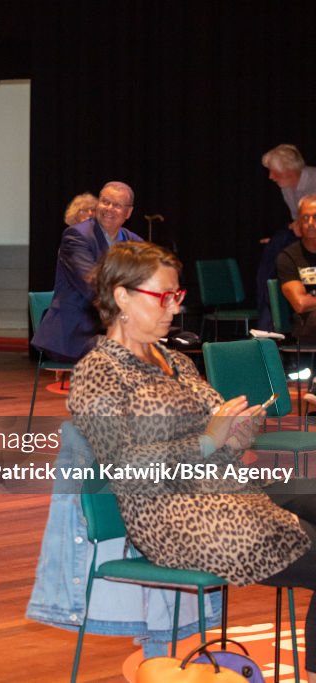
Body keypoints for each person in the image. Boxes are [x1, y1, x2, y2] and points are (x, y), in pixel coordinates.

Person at [68, 240, 316, 680]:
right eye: (163, 297)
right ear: (121, 296)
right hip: (173, 518)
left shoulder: (177, 361)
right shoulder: (99, 372)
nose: (173, 309)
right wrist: (206, 442)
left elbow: (220, 440)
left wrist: (239, 431)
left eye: (177, 297)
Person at [31, 181, 142, 363]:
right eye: (105, 202)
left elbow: (148, 282)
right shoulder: (76, 236)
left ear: (128, 212)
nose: (109, 208)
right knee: (124, 351)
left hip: (111, 331)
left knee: (158, 349)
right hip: (72, 334)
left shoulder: (135, 243)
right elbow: (92, 285)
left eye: (116, 205)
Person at [258, 145, 314, 330]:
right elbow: (296, 222)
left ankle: (269, 324)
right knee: (272, 254)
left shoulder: (313, 181)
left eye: (274, 172)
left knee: (277, 246)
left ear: (289, 169)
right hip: (300, 235)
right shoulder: (287, 187)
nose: (271, 177)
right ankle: (268, 322)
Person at [277, 194, 316, 343]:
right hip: (306, 322)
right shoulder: (288, 257)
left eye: (315, 217)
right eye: (305, 218)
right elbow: (300, 304)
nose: (311, 223)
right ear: (298, 222)